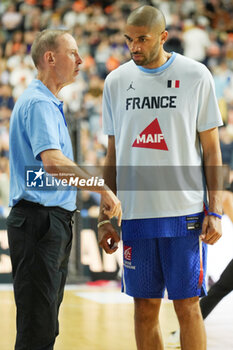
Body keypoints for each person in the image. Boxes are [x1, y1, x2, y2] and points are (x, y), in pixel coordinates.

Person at [98, 5, 223, 350]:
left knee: (187, 306)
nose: (134, 47)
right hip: (136, 216)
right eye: (129, 40)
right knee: (144, 309)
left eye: (142, 39)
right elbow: (113, 154)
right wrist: (104, 217)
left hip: (185, 215)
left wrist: (215, 210)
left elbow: (212, 151)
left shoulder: (196, 76)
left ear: (163, 37)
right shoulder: (116, 81)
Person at [7, 29, 122, 350]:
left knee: (43, 325)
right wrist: (102, 188)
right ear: (50, 58)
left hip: (47, 222)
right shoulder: (40, 103)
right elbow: (54, 164)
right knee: (38, 328)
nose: (81, 60)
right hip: (39, 223)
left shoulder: (46, 102)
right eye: (72, 53)